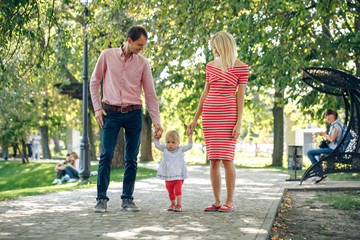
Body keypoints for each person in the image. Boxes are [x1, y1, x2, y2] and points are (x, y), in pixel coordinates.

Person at [90, 25, 163, 213]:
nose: (141, 49)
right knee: (106, 156)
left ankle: (127, 198)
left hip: (134, 113)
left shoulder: (143, 63)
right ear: (129, 41)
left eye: (144, 46)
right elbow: (94, 81)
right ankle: (101, 199)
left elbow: (150, 94)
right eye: (139, 45)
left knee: (131, 158)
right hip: (111, 113)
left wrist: (157, 122)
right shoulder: (106, 55)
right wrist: (97, 108)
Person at [186, 31, 248, 212]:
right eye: (213, 47)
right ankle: (217, 201)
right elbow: (205, 93)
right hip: (210, 116)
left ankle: (230, 201)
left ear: (224, 45)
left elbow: (240, 97)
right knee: (213, 160)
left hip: (229, 115)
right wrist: (195, 118)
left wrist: (239, 122)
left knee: (228, 159)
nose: (214, 50)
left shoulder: (241, 67)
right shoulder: (210, 66)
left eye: (215, 47)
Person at [154, 130, 193, 212]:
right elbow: (157, 145)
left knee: (177, 190)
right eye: (168, 142)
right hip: (168, 176)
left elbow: (189, 146)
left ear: (178, 143)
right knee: (170, 191)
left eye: (173, 142)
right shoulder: (164, 149)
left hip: (178, 175)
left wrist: (190, 136)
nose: (170, 144)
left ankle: (179, 205)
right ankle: (173, 204)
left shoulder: (181, 149)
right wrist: (157, 138)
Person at [307, 109, 343, 184]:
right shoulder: (337, 124)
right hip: (333, 148)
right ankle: (320, 173)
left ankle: (320, 173)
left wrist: (323, 134)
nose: (326, 120)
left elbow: (332, 139)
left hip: (333, 149)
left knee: (309, 153)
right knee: (317, 154)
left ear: (332, 115)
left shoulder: (336, 125)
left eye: (327, 117)